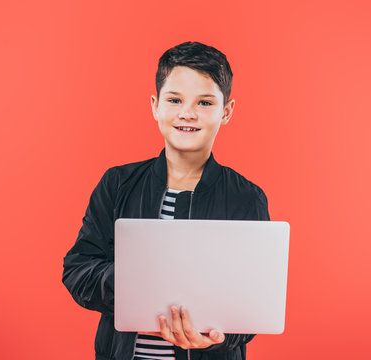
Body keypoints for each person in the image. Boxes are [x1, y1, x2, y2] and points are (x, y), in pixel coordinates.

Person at [62, 41, 270, 360]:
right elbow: (77, 270)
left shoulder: (246, 197)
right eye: (174, 99)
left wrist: (215, 339)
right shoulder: (117, 184)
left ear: (226, 111)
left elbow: (253, 305)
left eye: (204, 102)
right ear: (155, 105)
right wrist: (134, 282)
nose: (187, 113)